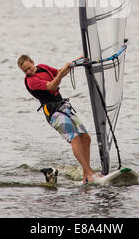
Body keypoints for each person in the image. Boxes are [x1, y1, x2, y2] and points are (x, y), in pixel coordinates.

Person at [17, 54, 98, 183]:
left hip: (63, 106)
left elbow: (60, 72)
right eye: (25, 71)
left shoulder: (43, 67)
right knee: (75, 139)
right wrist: (61, 74)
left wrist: (75, 62)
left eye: (29, 68)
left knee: (86, 137)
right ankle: (90, 173)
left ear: (32, 62)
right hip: (53, 114)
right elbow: (52, 86)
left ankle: (85, 177)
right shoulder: (31, 81)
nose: (28, 71)